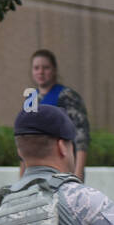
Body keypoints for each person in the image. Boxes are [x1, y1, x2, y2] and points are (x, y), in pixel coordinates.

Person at [30, 49, 91, 180]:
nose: (40, 72)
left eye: (46, 68)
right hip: (38, 171)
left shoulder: (67, 96)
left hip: (64, 169)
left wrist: (78, 173)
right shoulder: (31, 98)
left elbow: (81, 137)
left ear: (54, 70)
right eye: (36, 68)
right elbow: (27, 138)